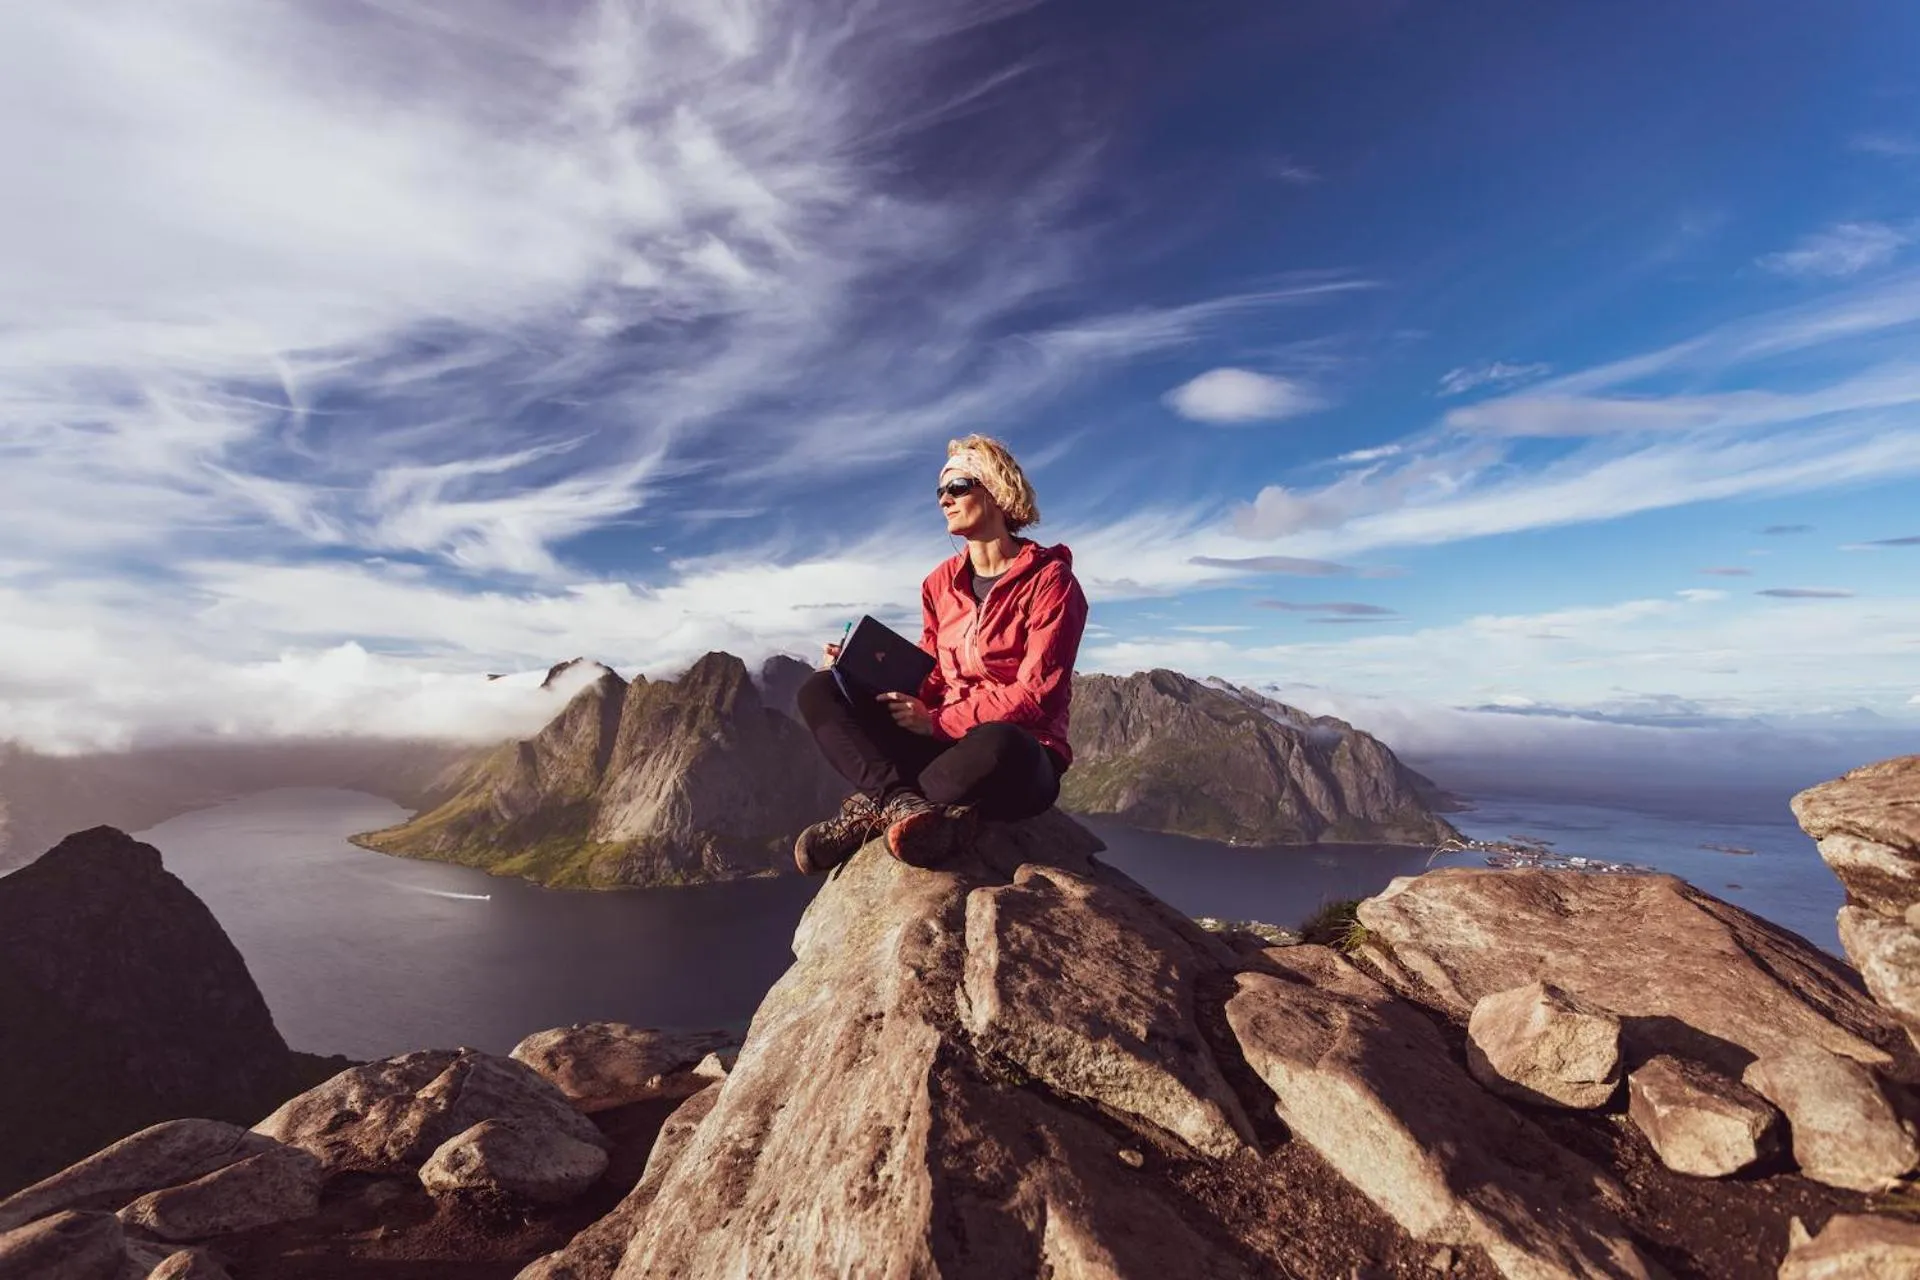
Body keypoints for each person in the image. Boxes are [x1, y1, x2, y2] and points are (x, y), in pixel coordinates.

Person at [793, 434, 1088, 872]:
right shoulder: (938, 583)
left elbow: (1036, 694)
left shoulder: (1051, 582)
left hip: (1021, 756)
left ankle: (873, 810)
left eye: (958, 487)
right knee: (819, 690)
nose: (944, 500)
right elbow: (930, 671)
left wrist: (937, 722)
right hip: (940, 743)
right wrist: (855, 672)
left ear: (996, 490)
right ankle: (898, 803)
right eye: (940, 492)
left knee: (999, 740)